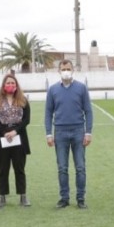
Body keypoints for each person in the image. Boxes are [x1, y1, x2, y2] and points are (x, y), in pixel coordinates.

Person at [45, 59, 93, 209]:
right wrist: (48, 133)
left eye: (68, 68)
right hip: (60, 132)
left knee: (80, 167)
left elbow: (88, 111)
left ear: (73, 70)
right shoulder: (52, 90)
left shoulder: (81, 88)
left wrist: (88, 132)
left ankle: (80, 198)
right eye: (63, 69)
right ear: (59, 71)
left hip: (78, 131)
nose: (66, 71)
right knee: (62, 168)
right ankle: (64, 198)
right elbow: (48, 112)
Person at [0, 73, 32, 208]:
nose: (10, 85)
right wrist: (5, 132)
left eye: (13, 83)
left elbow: (26, 119)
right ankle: (2, 197)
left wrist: (15, 131)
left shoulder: (23, 100)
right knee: (3, 169)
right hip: (2, 137)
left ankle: (23, 196)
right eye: (8, 83)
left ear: (16, 85)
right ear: (3, 85)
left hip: (18, 136)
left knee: (19, 168)